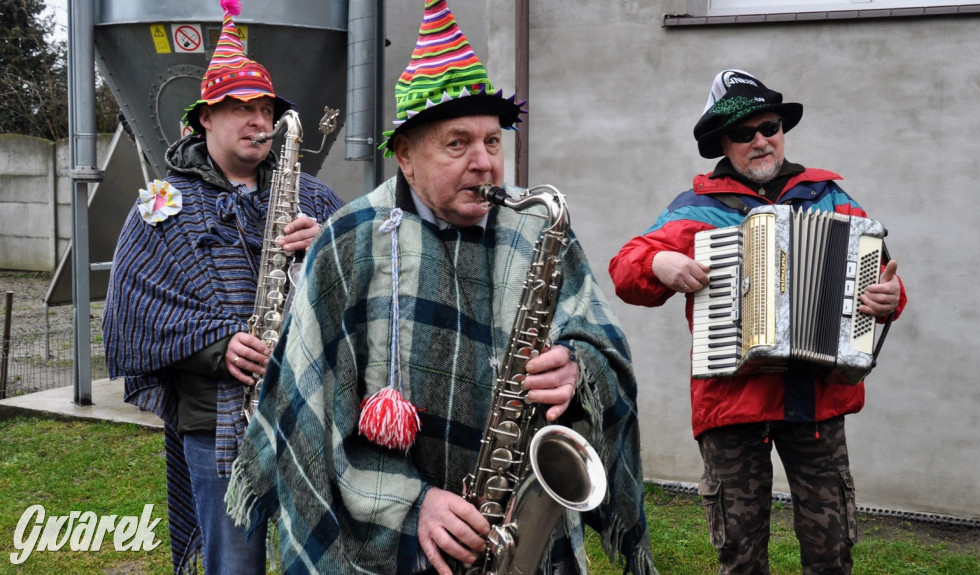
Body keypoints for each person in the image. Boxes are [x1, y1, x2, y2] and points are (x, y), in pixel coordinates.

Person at [224, 1, 657, 573]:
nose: (485, 164)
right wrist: (416, 503)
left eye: (493, 142)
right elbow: (312, 413)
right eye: (458, 144)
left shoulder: (538, 229)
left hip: (523, 535)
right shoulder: (347, 240)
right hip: (390, 540)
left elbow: (604, 346)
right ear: (405, 155)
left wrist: (579, 367)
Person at [608, 69, 908, 575]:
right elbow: (625, 268)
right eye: (744, 133)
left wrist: (890, 297)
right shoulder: (695, 209)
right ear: (725, 143)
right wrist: (659, 264)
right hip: (733, 403)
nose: (760, 140)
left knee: (832, 548)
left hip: (814, 401)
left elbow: (882, 280)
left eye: (768, 127)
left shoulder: (831, 198)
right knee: (741, 554)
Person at [101, 1, 345, 573]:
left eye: (265, 108)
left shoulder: (313, 198)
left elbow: (365, 295)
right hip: (215, 424)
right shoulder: (161, 207)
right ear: (205, 118)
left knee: (317, 560)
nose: (258, 120)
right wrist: (218, 347)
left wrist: (328, 250)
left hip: (307, 418)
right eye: (240, 108)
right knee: (232, 563)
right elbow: (134, 317)